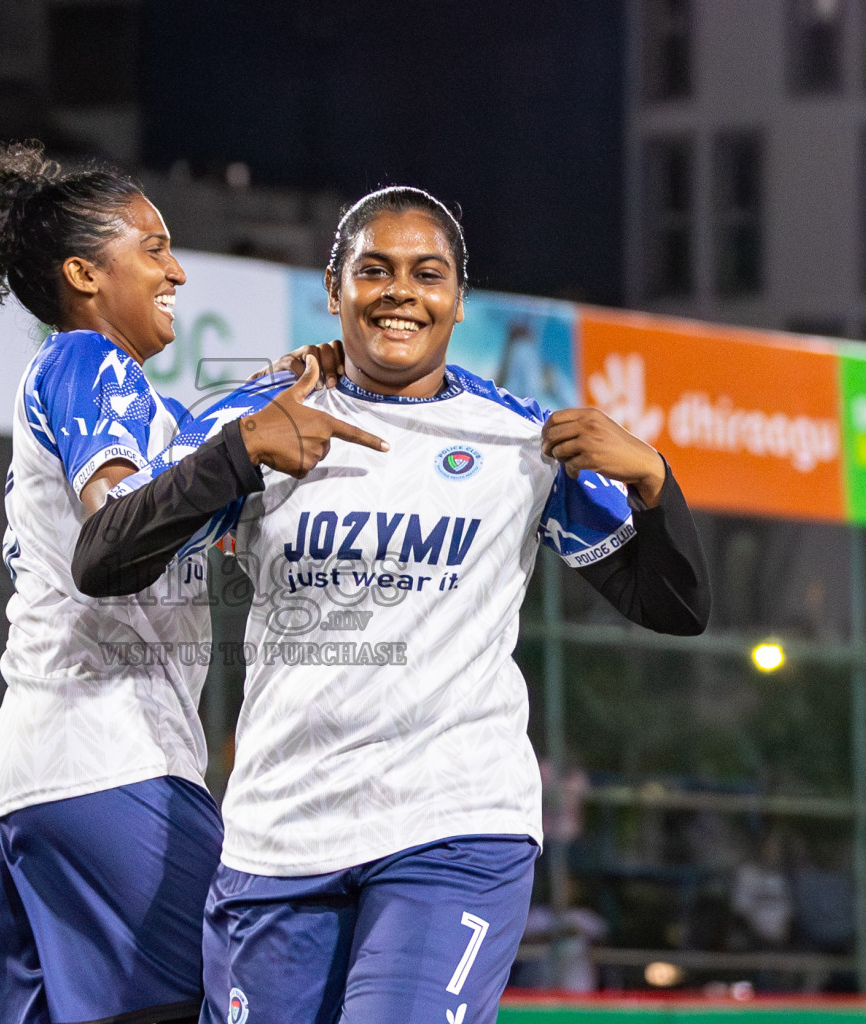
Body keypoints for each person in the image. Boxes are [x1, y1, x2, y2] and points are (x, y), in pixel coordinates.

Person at [74, 186, 710, 1024]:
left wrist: (654, 481)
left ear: (457, 300)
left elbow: (674, 605)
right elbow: (106, 559)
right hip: (278, 838)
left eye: (427, 273)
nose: (400, 291)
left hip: (453, 827)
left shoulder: (521, 442)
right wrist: (235, 453)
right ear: (334, 289)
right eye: (373, 270)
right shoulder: (262, 417)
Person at [0, 141, 377, 1024]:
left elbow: (186, 453)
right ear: (85, 274)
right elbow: (117, 530)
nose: (177, 270)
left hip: (24, 785)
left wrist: (285, 389)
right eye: (154, 247)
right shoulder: (87, 361)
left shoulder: (125, 404)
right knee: (254, 1000)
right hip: (113, 764)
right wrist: (245, 450)